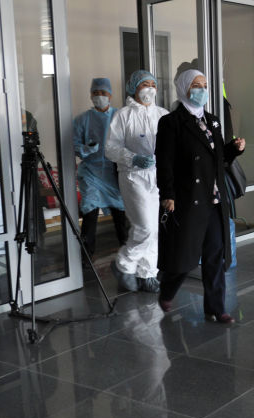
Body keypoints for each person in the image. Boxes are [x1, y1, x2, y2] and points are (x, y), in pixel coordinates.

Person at [155, 69, 245, 324]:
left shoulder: (212, 121)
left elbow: (218, 159)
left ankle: (216, 308)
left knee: (215, 253)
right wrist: (167, 194)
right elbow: (164, 162)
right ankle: (167, 290)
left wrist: (233, 150)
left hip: (213, 199)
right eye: (196, 85)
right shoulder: (171, 122)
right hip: (187, 198)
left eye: (204, 85)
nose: (202, 90)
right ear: (184, 88)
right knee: (185, 255)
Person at [105, 70, 168, 293]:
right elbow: (110, 148)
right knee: (145, 227)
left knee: (154, 229)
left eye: (153, 84)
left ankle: (147, 274)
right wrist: (133, 158)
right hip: (133, 177)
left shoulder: (163, 114)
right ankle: (123, 263)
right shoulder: (123, 115)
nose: (150, 88)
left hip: (158, 176)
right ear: (133, 88)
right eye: (144, 84)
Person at [73, 78, 128, 259]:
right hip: (91, 174)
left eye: (103, 93)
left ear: (110, 95)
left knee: (120, 217)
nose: (99, 96)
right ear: (90, 95)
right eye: (95, 93)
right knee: (90, 214)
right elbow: (74, 145)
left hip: (114, 173)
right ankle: (86, 257)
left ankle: (128, 254)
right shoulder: (82, 120)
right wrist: (87, 149)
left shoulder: (120, 116)